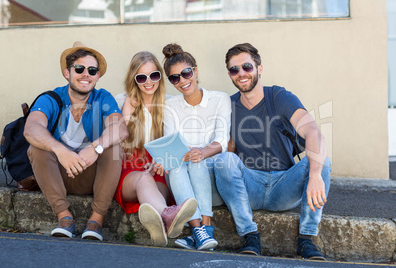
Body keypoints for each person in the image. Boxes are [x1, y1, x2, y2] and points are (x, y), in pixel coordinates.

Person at [214, 43, 331, 259]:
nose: (241, 74)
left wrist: (314, 175)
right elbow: (227, 150)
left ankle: (307, 241)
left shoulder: (279, 97)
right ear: (230, 75)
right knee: (224, 160)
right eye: (234, 70)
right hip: (250, 188)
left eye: (247, 67)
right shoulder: (227, 105)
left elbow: (314, 132)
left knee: (321, 158)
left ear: (259, 68)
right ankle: (250, 236)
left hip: (283, 186)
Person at [24, 41, 128, 241]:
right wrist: (61, 151)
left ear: (97, 76)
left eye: (92, 70)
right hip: (57, 175)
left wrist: (95, 147)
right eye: (79, 68)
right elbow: (32, 128)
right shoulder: (51, 98)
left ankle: (96, 221)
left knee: (113, 147)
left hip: (91, 175)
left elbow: (120, 128)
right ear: (67, 73)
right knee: (37, 147)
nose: (85, 74)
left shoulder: (102, 98)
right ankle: (65, 218)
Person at [113, 51, 197, 247]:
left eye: (154, 75)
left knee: (154, 189)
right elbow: (117, 141)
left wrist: (164, 160)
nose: (148, 82)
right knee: (143, 179)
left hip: (158, 169)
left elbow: (176, 141)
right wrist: (127, 112)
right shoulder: (120, 101)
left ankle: (160, 224)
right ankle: (169, 216)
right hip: (129, 170)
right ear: (133, 79)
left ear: (160, 76)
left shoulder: (170, 103)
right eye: (141, 77)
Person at [162, 43, 231, 251]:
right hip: (180, 178)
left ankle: (199, 232)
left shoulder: (220, 99)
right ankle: (200, 229)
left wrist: (200, 152)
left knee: (197, 161)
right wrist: (189, 153)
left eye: (186, 73)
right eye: (175, 78)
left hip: (211, 183)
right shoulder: (170, 106)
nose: (183, 80)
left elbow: (222, 141)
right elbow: (170, 143)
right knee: (178, 164)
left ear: (195, 71)